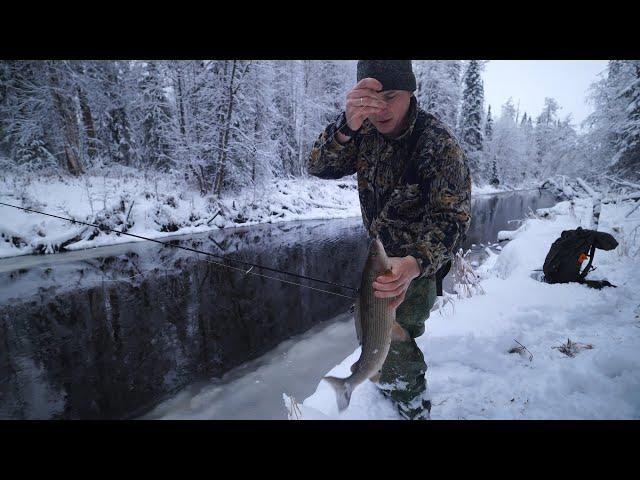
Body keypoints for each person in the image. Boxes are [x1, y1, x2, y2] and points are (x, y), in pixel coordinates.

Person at [308, 60, 471, 419]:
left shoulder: (437, 144)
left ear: (411, 91)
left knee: (395, 347)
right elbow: (318, 166)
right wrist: (346, 126)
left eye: (391, 96)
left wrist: (414, 264)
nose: (379, 108)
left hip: (418, 264)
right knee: (368, 333)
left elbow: (454, 219)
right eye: (371, 98)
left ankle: (411, 404)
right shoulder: (363, 131)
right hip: (377, 259)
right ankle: (379, 378)